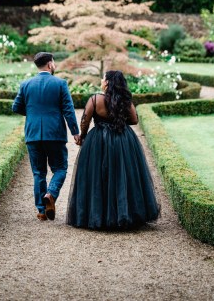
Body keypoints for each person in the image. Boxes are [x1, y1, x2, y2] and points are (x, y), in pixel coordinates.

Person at [67, 70, 160, 230]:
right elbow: (134, 120)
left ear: (108, 82)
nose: (102, 81)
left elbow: (85, 121)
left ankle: (97, 216)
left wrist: (82, 136)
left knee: (97, 176)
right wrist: (118, 119)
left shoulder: (95, 99)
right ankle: (125, 215)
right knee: (123, 175)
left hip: (98, 142)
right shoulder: (125, 101)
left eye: (103, 79)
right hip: (123, 140)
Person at [12, 51, 80, 221]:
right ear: (50, 64)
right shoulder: (60, 83)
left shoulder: (26, 84)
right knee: (60, 169)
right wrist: (75, 132)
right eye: (54, 63)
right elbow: (68, 110)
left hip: (33, 135)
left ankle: (42, 211)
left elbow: (16, 107)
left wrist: (33, 114)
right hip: (55, 134)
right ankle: (51, 194)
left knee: (38, 173)